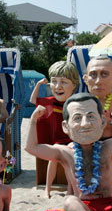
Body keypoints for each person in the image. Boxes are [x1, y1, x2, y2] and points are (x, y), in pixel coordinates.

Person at [29, 61, 79, 198]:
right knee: (54, 157)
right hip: (56, 139)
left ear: (74, 85)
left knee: (70, 157)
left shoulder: (76, 103)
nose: (58, 86)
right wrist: (39, 85)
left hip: (71, 139)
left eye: (63, 82)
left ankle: (70, 189)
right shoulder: (51, 101)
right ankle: (47, 189)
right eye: (54, 81)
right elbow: (33, 101)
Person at [83, 55, 112, 199]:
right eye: (93, 75)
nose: (98, 81)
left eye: (104, 74)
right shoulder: (83, 102)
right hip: (91, 140)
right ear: (85, 79)